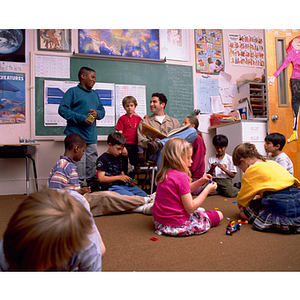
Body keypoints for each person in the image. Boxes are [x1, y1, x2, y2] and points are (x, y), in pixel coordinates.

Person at [0, 188, 105, 271]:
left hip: (79, 205)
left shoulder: (87, 248)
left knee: (101, 250)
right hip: (49, 201)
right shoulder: (7, 248)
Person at [152, 137, 223, 236]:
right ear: (178, 159)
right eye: (188, 158)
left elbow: (183, 190)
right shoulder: (181, 177)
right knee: (219, 215)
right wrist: (207, 190)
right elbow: (190, 208)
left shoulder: (164, 174)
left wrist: (201, 181)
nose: (191, 161)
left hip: (160, 223)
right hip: (178, 225)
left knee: (199, 211)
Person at [232, 142, 300, 234]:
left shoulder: (251, 170)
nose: (243, 171)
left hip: (281, 204)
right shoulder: (273, 163)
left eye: (241, 168)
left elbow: (241, 202)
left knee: (242, 211)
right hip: (297, 197)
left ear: (243, 161)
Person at [58, 66, 105, 186]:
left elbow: (102, 111)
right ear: (83, 76)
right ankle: (76, 190)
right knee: (78, 168)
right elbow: (62, 110)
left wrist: (97, 114)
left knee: (91, 165)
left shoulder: (95, 94)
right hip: (76, 137)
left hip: (91, 138)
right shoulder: (72, 92)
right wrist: (81, 118)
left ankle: (91, 191)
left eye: (95, 78)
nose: (94, 80)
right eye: (92, 77)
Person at [96, 131, 154, 214]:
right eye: (118, 149)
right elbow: (101, 178)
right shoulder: (103, 159)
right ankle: (142, 208)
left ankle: (146, 203)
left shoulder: (119, 157)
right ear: (109, 145)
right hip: (111, 186)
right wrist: (120, 177)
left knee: (143, 195)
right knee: (131, 198)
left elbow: (122, 172)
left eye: (121, 149)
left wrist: (128, 180)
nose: (120, 152)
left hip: (123, 184)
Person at [137, 92, 197, 169]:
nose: (151, 104)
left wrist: (163, 142)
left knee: (193, 131)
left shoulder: (174, 122)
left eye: (154, 102)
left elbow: (180, 139)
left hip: (173, 150)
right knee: (163, 150)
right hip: (153, 153)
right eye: (150, 102)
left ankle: (160, 143)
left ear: (163, 104)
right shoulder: (145, 122)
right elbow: (141, 142)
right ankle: (162, 180)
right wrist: (152, 141)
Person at [269, 35, 300, 143]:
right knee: (296, 105)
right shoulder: (291, 54)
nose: (298, 43)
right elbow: (283, 65)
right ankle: (294, 132)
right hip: (296, 80)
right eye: (297, 41)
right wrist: (274, 76)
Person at [116, 96, 142, 173]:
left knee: (135, 161)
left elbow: (142, 132)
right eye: (127, 106)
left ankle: (136, 173)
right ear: (124, 107)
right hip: (125, 145)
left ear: (135, 106)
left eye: (131, 105)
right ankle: (125, 177)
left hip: (135, 145)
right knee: (123, 164)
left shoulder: (139, 119)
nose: (129, 108)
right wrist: (122, 146)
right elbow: (120, 134)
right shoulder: (122, 118)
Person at [182, 115, 206, 195]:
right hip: (187, 171)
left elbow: (198, 160)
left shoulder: (198, 139)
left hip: (194, 172)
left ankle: (206, 186)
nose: (183, 125)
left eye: (185, 123)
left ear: (192, 126)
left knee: (192, 191)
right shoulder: (186, 138)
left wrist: (189, 171)